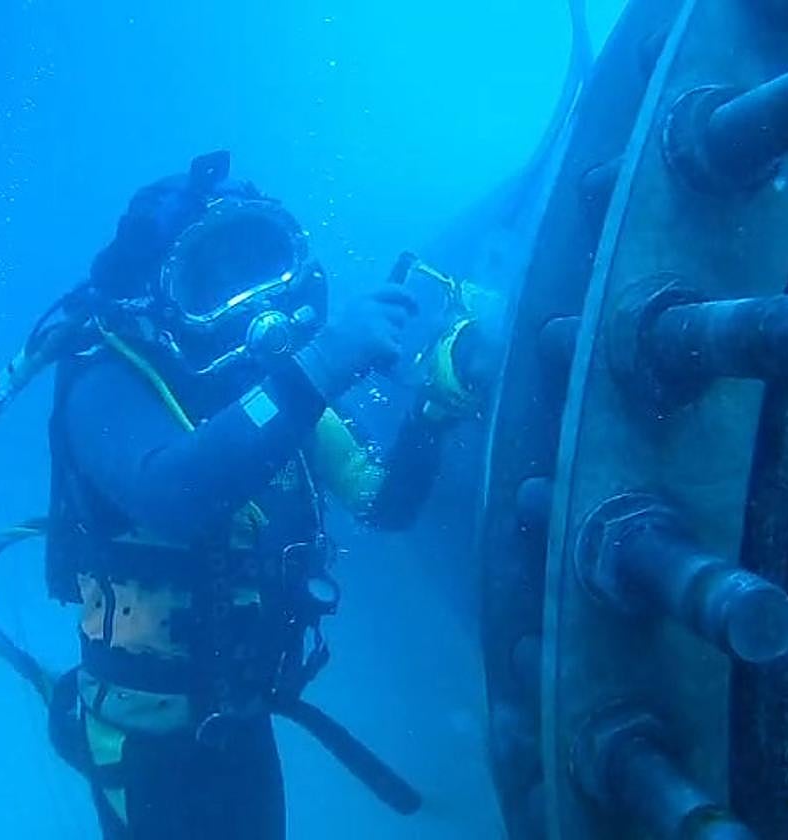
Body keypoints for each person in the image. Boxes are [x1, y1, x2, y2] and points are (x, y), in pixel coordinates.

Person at [41, 151, 492, 839]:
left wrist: (432, 411)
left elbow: (382, 501)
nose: (248, 301)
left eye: (262, 267)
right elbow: (172, 494)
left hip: (242, 722)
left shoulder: (273, 393)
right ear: (160, 293)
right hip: (146, 746)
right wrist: (322, 363)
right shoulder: (108, 382)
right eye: (211, 281)